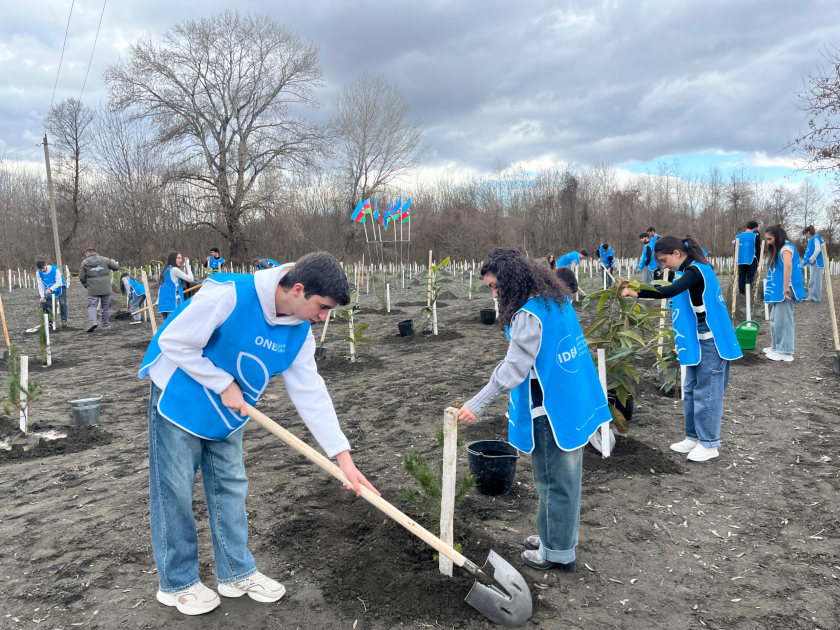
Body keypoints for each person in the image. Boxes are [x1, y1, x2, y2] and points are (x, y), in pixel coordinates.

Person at [138, 251, 379, 616]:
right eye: (323, 307)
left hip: (228, 410)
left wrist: (343, 458)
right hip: (180, 394)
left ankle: (236, 573)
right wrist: (221, 383)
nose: (324, 317)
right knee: (173, 488)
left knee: (230, 484)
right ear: (298, 290)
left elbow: (311, 392)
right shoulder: (230, 294)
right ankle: (177, 583)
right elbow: (173, 340)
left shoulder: (300, 332)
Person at [458, 248, 610, 572]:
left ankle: (557, 553)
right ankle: (551, 535)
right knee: (559, 477)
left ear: (513, 279)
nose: (495, 293)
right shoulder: (553, 299)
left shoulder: (530, 314)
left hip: (550, 408)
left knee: (555, 479)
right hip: (573, 398)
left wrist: (477, 403)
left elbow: (513, 369)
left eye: (497, 286)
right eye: (490, 288)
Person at [620, 236, 742, 462]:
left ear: (677, 253)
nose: (663, 266)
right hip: (697, 338)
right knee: (690, 388)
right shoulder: (687, 273)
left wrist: (636, 291)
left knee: (708, 390)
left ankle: (709, 443)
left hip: (712, 340)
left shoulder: (696, 271)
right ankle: (693, 437)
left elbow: (669, 291)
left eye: (664, 260)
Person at [763, 225, 805, 362]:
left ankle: (786, 351)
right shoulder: (781, 248)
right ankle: (776, 347)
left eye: (770, 239)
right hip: (780, 290)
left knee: (784, 321)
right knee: (776, 319)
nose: (768, 242)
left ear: (778, 237)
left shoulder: (786, 248)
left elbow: (788, 265)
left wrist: (786, 287)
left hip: (786, 290)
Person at [79, 248, 120, 333]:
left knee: (92, 306)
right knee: (106, 306)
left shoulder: (84, 263)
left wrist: (87, 285)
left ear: (87, 253)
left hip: (92, 286)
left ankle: (93, 322)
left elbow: (82, 277)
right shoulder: (105, 259)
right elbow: (116, 268)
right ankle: (105, 324)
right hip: (106, 286)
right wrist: (113, 262)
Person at [158, 251, 194, 320]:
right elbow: (191, 279)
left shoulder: (165, 270)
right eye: (179, 258)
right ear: (173, 259)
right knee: (173, 325)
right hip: (172, 302)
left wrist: (158, 301)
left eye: (181, 258)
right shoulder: (174, 270)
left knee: (167, 326)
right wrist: (187, 265)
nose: (181, 260)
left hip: (163, 303)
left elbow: (161, 287)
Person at [35, 260, 67, 326]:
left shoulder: (55, 270)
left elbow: (59, 282)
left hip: (60, 287)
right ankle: (50, 322)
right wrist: (42, 296)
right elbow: (40, 284)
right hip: (48, 288)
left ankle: (64, 320)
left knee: (62, 303)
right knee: (49, 305)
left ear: (46, 265)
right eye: (40, 269)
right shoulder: (38, 273)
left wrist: (51, 289)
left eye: (43, 268)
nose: (42, 270)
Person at [734, 221, 761, 296]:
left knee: (741, 277)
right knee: (750, 277)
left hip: (740, 260)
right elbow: (757, 249)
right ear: (755, 228)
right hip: (751, 259)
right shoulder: (755, 236)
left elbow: (735, 249)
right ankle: (748, 294)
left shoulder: (738, 236)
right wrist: (758, 261)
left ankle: (741, 293)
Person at [802, 226, 824, 302]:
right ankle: (812, 296)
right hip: (815, 262)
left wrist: (812, 258)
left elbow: (818, 249)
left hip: (817, 262)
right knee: (813, 280)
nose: (806, 236)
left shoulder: (816, 237)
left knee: (816, 280)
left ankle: (816, 298)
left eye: (805, 234)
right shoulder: (812, 239)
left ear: (808, 232)